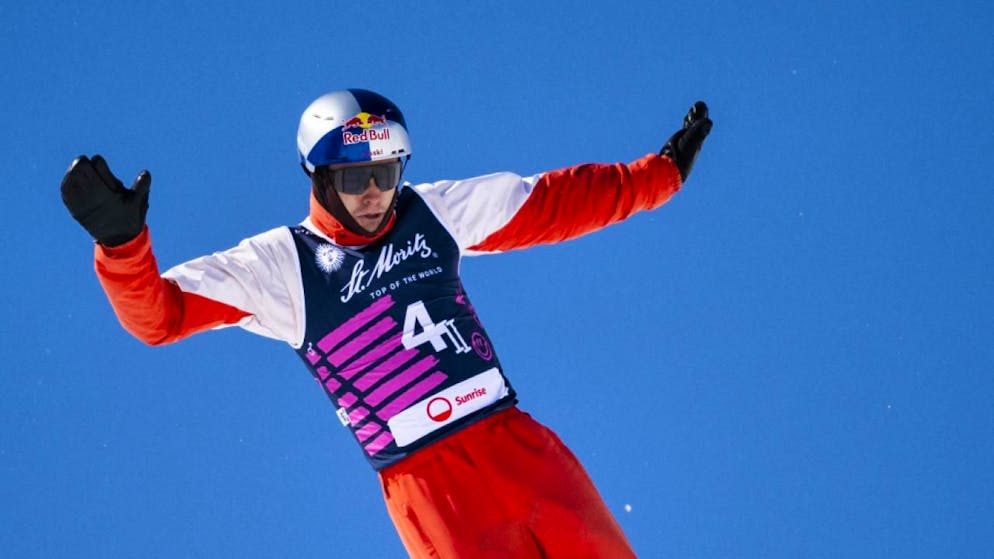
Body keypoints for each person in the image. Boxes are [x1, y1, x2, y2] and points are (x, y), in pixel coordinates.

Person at [61, 89, 712, 558]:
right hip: (429, 488)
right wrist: (123, 247)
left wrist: (660, 176)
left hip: (516, 446)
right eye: (355, 178)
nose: (375, 193)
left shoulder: (431, 212)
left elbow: (551, 201)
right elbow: (162, 315)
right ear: (317, 178)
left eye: (386, 173)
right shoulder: (280, 267)